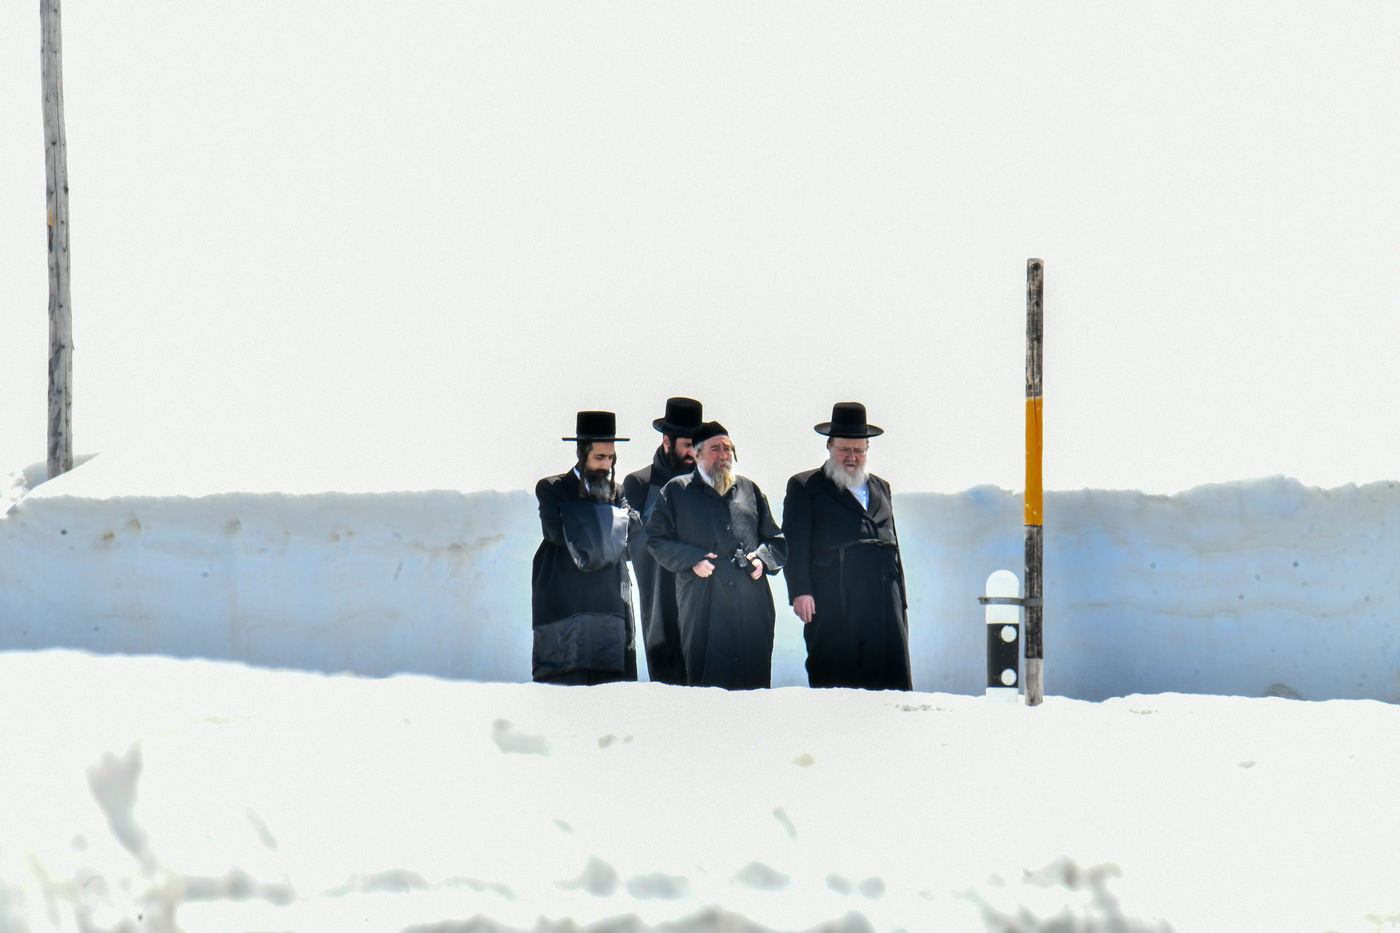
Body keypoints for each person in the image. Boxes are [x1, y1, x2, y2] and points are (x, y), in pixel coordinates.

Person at [644, 422, 787, 689]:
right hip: (702, 604)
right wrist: (692, 559)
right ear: (697, 454)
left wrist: (762, 559)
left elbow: (777, 542)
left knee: (753, 688)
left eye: (728, 449)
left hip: (751, 605)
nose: (723, 455)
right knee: (707, 688)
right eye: (715, 449)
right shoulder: (676, 491)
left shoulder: (750, 490)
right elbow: (655, 539)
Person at [782, 402, 911, 690]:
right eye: (844, 450)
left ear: (866, 450)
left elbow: (893, 543)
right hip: (836, 601)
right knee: (837, 680)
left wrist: (900, 599)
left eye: (858, 450)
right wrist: (800, 591)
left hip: (884, 604)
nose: (851, 457)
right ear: (829, 447)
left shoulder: (881, 487)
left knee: (889, 680)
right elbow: (794, 542)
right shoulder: (806, 486)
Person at [531, 410, 640, 685]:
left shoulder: (618, 491)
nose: (606, 464)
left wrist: (582, 521)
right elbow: (556, 532)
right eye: (599, 457)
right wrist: (612, 520)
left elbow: (635, 527)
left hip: (609, 602)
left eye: (611, 457)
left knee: (612, 689)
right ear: (582, 454)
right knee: (567, 685)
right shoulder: (553, 487)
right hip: (566, 600)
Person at [622, 397, 704, 685]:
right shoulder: (639, 484)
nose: (694, 454)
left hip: (704, 607)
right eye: (687, 446)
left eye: (698, 446)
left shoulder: (708, 484)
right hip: (661, 610)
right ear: (667, 442)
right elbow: (629, 547)